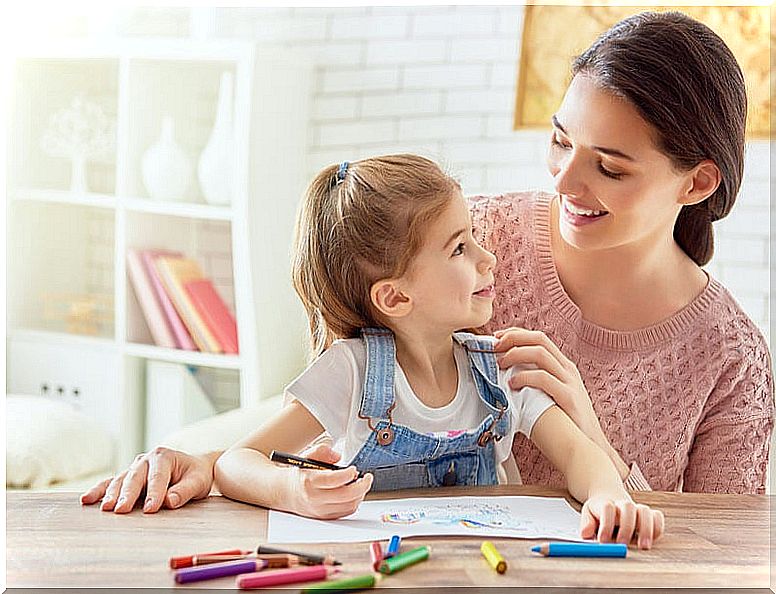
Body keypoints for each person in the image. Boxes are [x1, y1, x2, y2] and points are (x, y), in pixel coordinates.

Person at [81, 10, 773, 514]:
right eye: (560, 141)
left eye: (610, 169)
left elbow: (722, 554)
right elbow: (339, 390)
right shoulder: (476, 234)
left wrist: (594, 443)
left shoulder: (730, 358)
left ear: (696, 183)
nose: (562, 183)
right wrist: (200, 460)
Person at [218, 154, 664, 547]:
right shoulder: (350, 371)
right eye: (459, 248)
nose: (488, 258)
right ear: (395, 298)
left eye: (474, 237)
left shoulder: (498, 368)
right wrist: (293, 490)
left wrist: (609, 496)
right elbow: (235, 463)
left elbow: (576, 454)